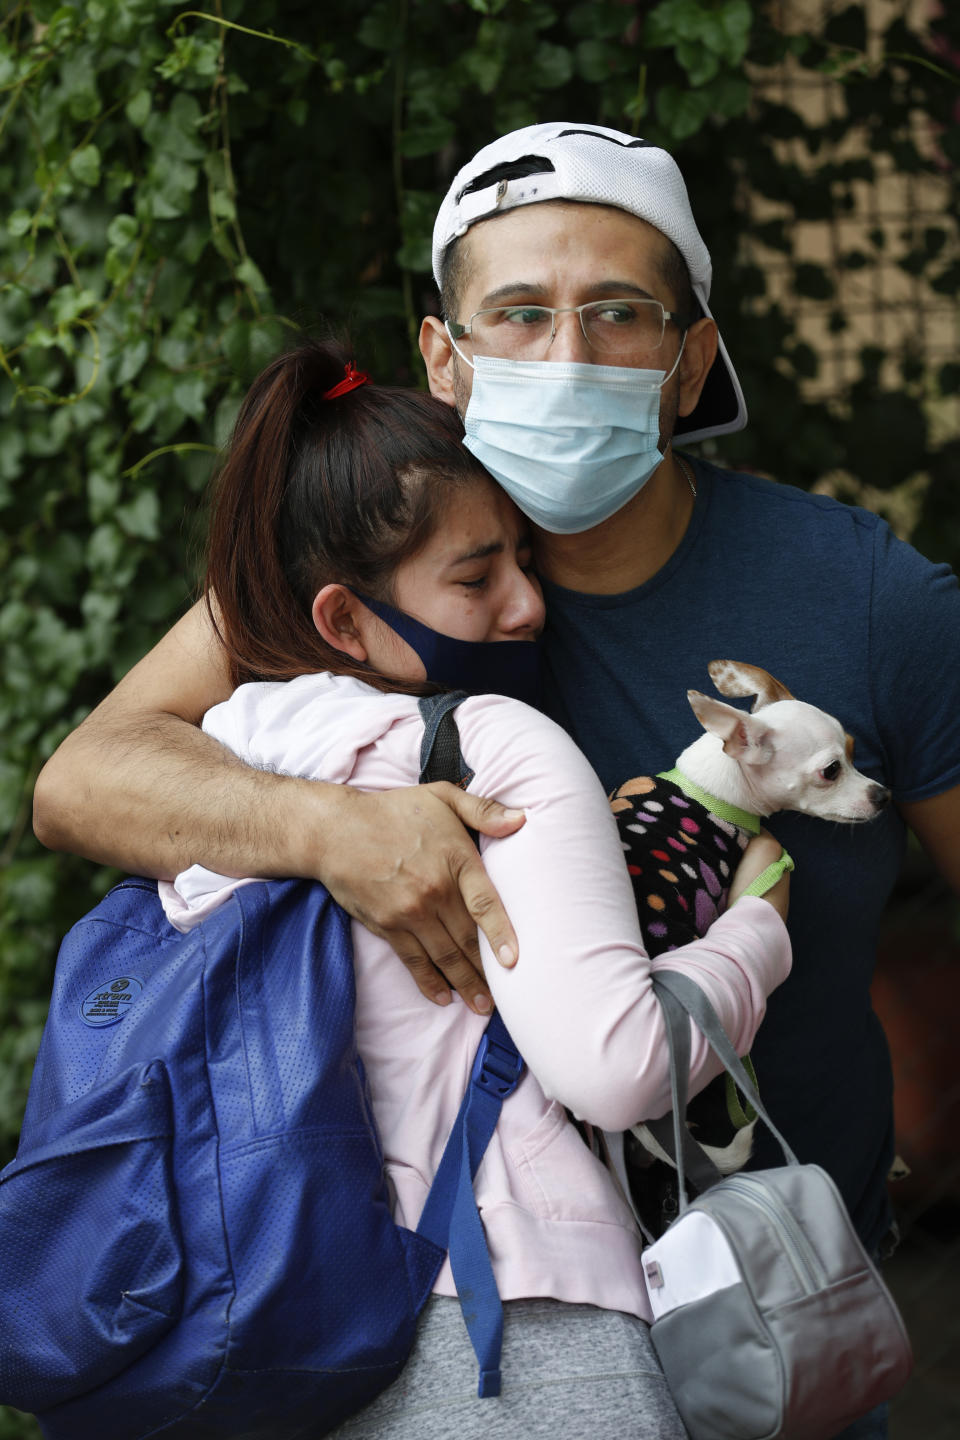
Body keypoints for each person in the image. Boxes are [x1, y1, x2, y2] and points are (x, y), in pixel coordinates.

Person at [33, 118, 960, 1439]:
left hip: (779, 1315)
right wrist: (333, 832)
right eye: (516, 313)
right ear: (443, 357)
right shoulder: (392, 548)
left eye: (621, 314)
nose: (566, 357)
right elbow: (90, 779)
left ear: (693, 358)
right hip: (445, 1332)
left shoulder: (867, 601)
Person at [164, 334, 791, 1436]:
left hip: (272, 1306)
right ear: (344, 619)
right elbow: (616, 1065)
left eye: (523, 560)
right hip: (511, 1312)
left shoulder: (215, 757)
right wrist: (756, 926)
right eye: (476, 577)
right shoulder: (500, 742)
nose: (527, 607)